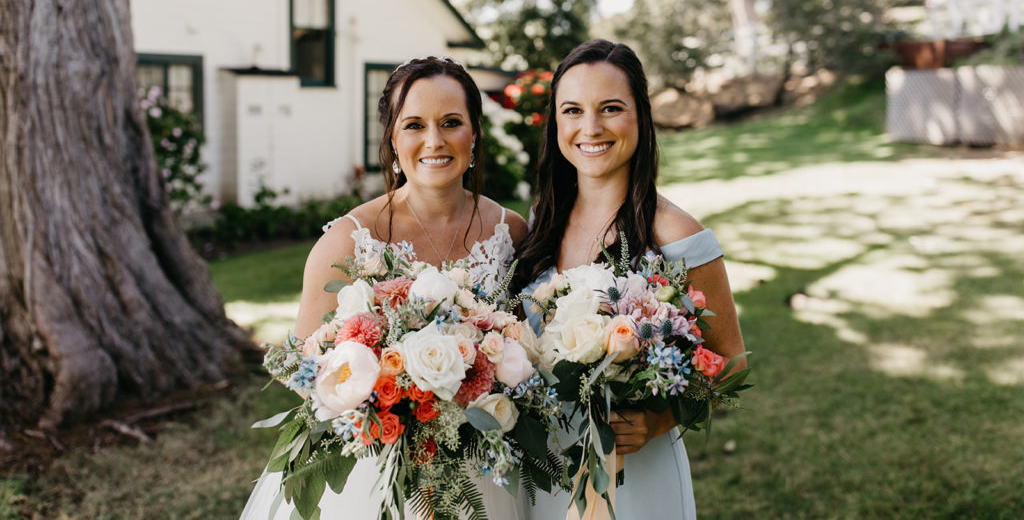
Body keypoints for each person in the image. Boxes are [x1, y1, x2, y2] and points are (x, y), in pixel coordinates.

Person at [240, 56, 528, 520]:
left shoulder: (509, 233)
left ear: (474, 133)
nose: (433, 141)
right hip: (377, 469)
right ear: (393, 139)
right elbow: (302, 369)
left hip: (484, 474)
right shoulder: (348, 240)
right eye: (414, 124)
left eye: (451, 122)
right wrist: (394, 411)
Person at [514, 39, 747, 520]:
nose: (590, 128)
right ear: (556, 122)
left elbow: (732, 362)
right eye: (572, 110)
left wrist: (659, 420)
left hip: (637, 476)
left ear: (640, 116)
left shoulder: (677, 234)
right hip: (547, 471)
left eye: (610, 108)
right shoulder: (540, 223)